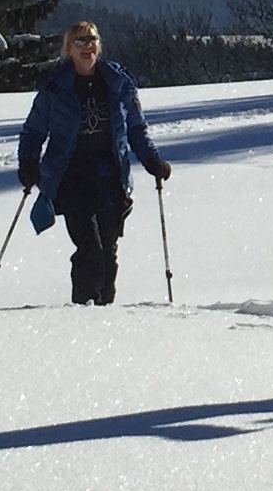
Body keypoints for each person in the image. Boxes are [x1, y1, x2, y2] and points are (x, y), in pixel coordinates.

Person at [17, 22, 172, 304]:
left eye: (92, 40)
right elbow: (34, 131)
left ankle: (104, 309)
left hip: (110, 177)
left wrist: (151, 159)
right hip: (71, 178)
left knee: (108, 251)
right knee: (90, 249)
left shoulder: (119, 82)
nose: (87, 46)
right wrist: (28, 161)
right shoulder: (55, 88)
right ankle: (84, 310)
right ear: (69, 49)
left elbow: (136, 128)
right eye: (80, 41)